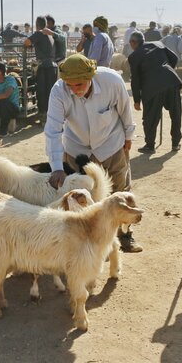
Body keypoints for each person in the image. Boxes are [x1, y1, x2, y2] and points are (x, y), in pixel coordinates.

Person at [44, 54, 142, 253]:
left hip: (111, 145)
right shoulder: (59, 91)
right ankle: (86, 242)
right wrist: (56, 167)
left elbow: (125, 111)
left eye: (79, 84)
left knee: (120, 192)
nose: (75, 90)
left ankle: (125, 236)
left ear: (91, 77)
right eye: (70, 85)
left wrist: (129, 137)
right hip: (76, 149)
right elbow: (53, 131)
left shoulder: (112, 81)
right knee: (80, 197)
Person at [128, 32, 182, 154]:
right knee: (176, 114)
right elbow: (174, 58)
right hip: (171, 80)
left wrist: (137, 100)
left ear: (133, 42)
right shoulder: (158, 44)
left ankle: (150, 145)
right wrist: (165, 71)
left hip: (152, 87)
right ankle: (175, 143)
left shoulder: (134, 56)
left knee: (150, 117)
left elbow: (135, 80)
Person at [24, 16, 57, 122]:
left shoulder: (40, 33)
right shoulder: (49, 34)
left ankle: (43, 114)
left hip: (44, 66)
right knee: (50, 91)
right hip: (53, 66)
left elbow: (27, 42)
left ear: (36, 24)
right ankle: (50, 114)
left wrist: (31, 45)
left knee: (42, 91)